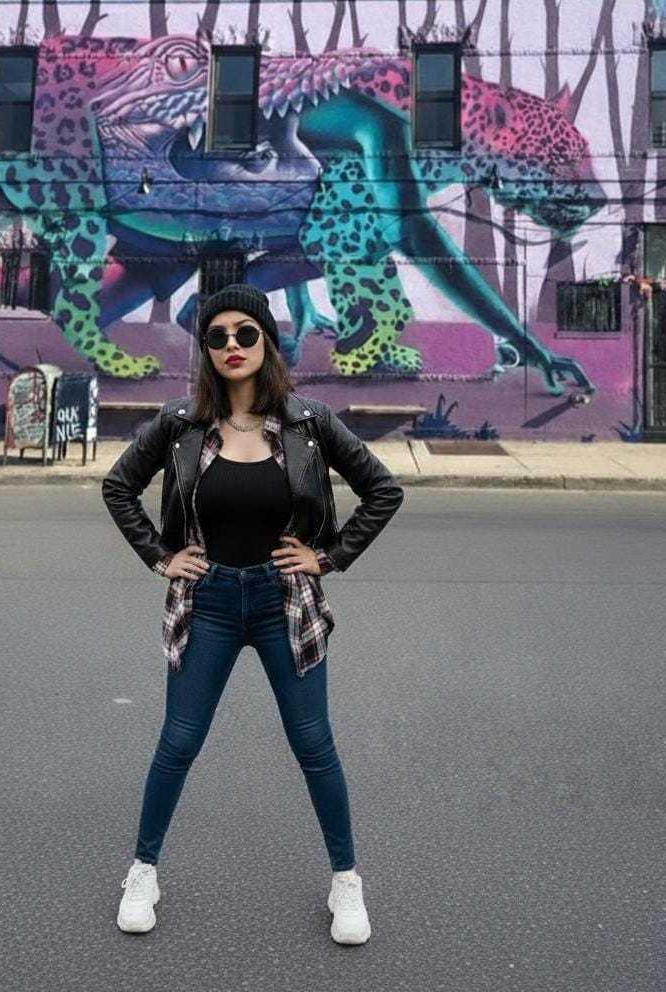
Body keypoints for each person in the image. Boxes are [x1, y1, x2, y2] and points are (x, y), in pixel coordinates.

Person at [101, 283, 405, 943]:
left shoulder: (309, 422)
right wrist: (160, 556)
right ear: (206, 349)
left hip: (282, 603)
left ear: (267, 340)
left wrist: (329, 557)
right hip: (207, 602)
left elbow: (383, 489)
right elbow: (118, 486)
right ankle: (143, 871)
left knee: (314, 745)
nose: (232, 345)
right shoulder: (181, 424)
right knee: (178, 742)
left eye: (246, 333)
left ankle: (346, 881)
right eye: (217, 336)